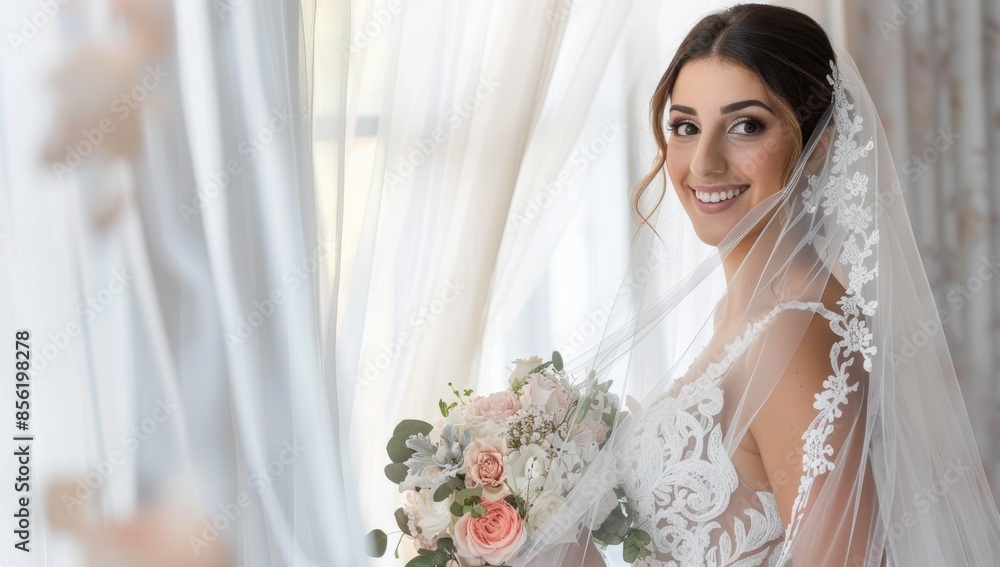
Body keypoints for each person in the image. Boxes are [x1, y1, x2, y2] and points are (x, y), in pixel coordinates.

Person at [513, 4, 1000, 566]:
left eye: (746, 126)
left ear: (817, 147)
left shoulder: (791, 335)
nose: (704, 161)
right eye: (685, 126)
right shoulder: (741, 317)